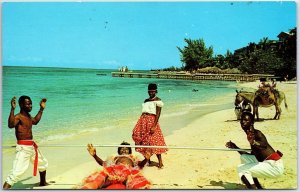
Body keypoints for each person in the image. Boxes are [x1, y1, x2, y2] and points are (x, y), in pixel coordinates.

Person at [225, 112, 284, 189]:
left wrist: (253, 142)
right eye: (242, 120)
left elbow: (263, 146)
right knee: (244, 157)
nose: (243, 121)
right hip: (267, 162)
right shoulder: (250, 134)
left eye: (246, 120)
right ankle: (259, 188)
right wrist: (235, 147)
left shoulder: (257, 133)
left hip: (274, 166)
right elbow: (252, 155)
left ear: (252, 122)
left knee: (241, 169)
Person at [3, 96, 49, 189]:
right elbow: (11, 125)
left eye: (31, 103)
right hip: (23, 148)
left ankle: (43, 183)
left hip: (31, 146)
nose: (30, 105)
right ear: (21, 105)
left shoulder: (27, 116)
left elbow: (35, 121)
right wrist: (12, 109)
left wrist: (41, 109)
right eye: (28, 104)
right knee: (16, 173)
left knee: (42, 163)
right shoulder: (18, 117)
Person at [78, 142, 151, 189]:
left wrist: (146, 159)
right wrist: (94, 155)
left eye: (126, 149)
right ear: (119, 151)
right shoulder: (114, 157)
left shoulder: (133, 157)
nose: (124, 150)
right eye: (122, 149)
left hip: (128, 169)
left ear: (129, 151)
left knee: (139, 184)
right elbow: (103, 163)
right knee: (98, 178)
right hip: (114, 169)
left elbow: (140, 164)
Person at [132, 83, 168, 169]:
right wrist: (139, 123)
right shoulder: (146, 100)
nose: (151, 93)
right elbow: (143, 112)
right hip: (143, 121)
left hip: (152, 121)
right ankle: (148, 160)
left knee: (154, 142)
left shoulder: (158, 101)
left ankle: (160, 162)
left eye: (153, 91)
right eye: (149, 91)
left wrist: (154, 125)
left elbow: (158, 114)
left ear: (156, 91)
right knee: (144, 140)